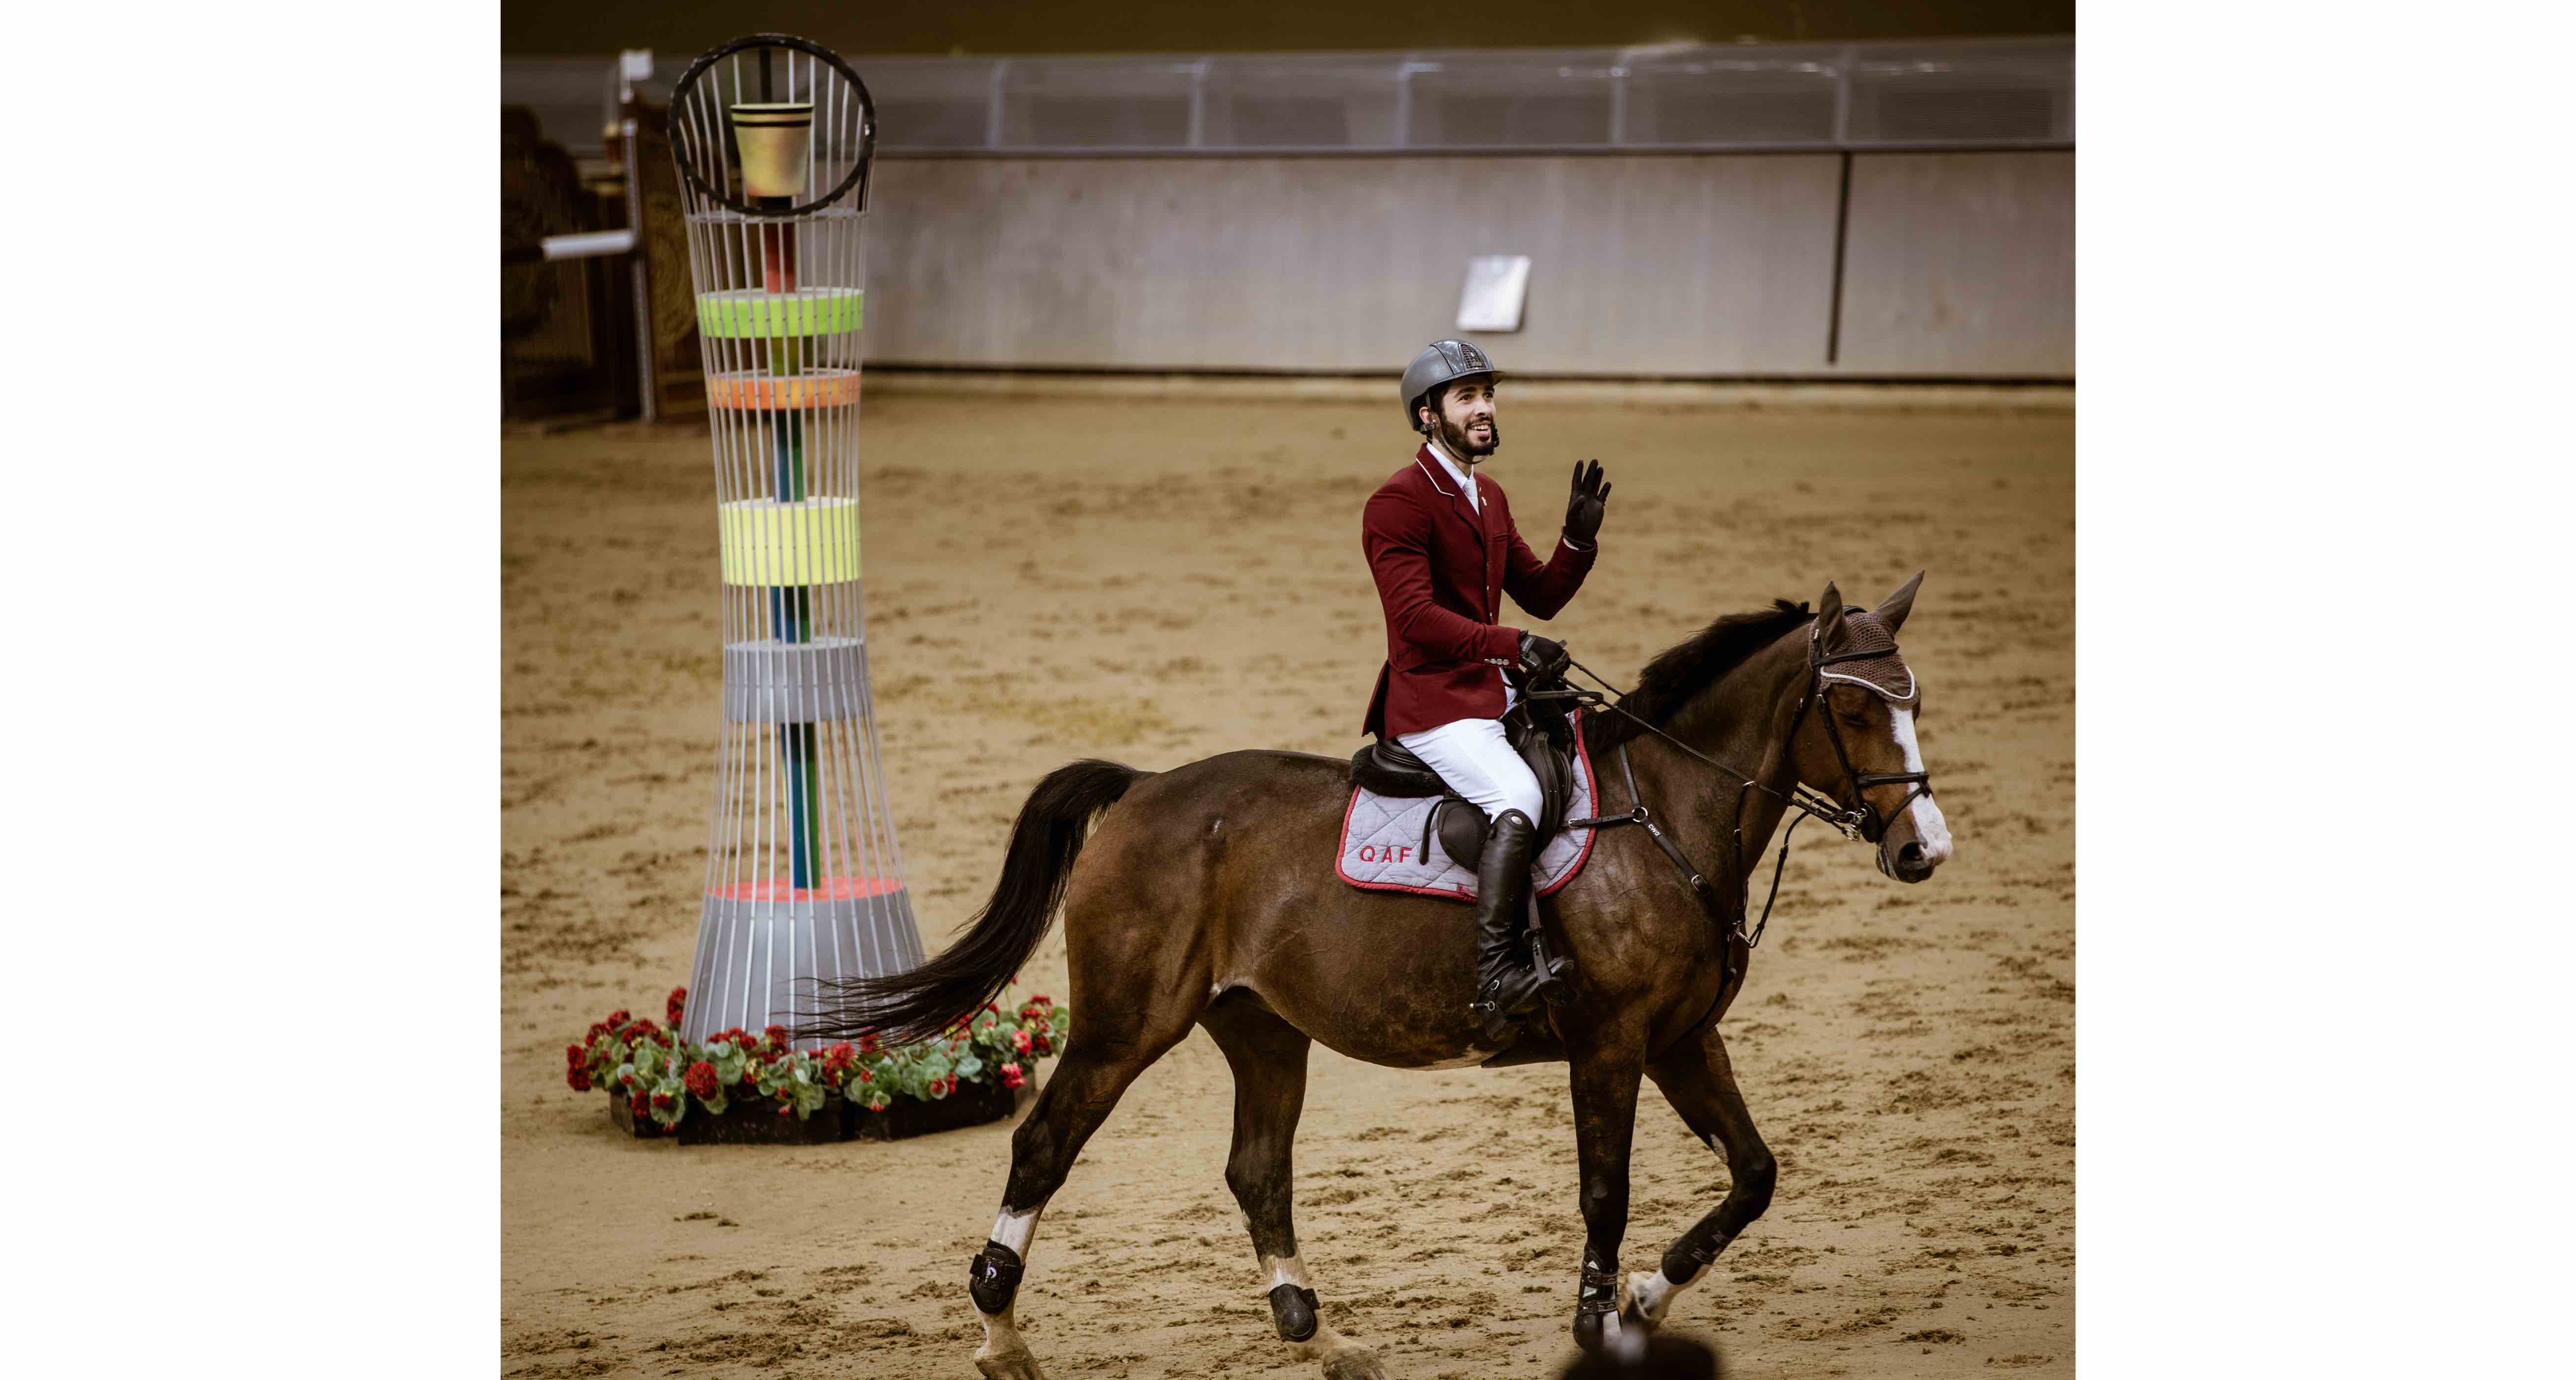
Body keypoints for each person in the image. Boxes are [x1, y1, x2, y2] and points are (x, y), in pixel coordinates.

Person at [1360, 339, 1612, 1038]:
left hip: (1492, 693)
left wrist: (1578, 541)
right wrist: (1512, 645)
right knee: (1520, 796)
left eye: (1487, 396)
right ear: (1427, 416)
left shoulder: (1488, 495)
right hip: (1434, 705)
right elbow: (1414, 619)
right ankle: (1498, 972)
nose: (1484, 409)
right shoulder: (1398, 502)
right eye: (1466, 398)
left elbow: (1541, 595)